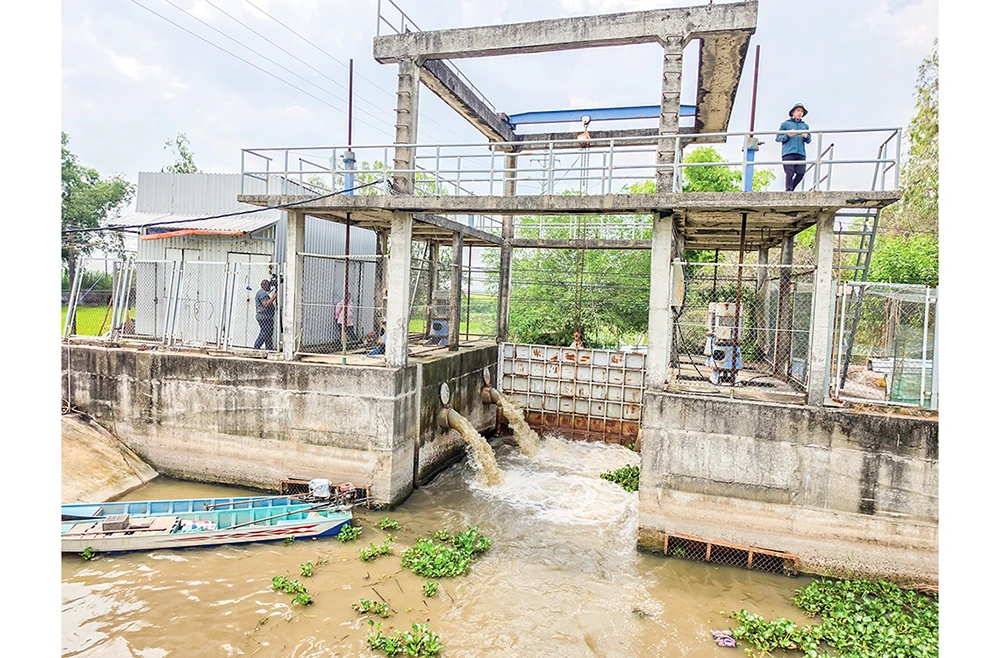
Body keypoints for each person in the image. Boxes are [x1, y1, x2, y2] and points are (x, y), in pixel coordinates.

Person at [776, 103, 811, 191]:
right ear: (793, 112)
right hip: (788, 152)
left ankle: (791, 190)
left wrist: (806, 136)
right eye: (798, 111)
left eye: (802, 111)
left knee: (801, 173)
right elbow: (778, 138)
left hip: (801, 152)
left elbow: (809, 140)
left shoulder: (805, 126)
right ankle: (788, 191)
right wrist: (788, 135)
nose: (800, 113)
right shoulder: (785, 124)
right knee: (789, 173)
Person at [254, 279, 278, 350]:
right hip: (264, 317)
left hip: (267, 317)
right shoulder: (262, 293)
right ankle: (256, 347)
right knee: (264, 332)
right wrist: (274, 297)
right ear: (265, 286)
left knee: (268, 334)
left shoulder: (262, 293)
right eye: (269, 286)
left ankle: (269, 349)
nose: (270, 287)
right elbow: (266, 304)